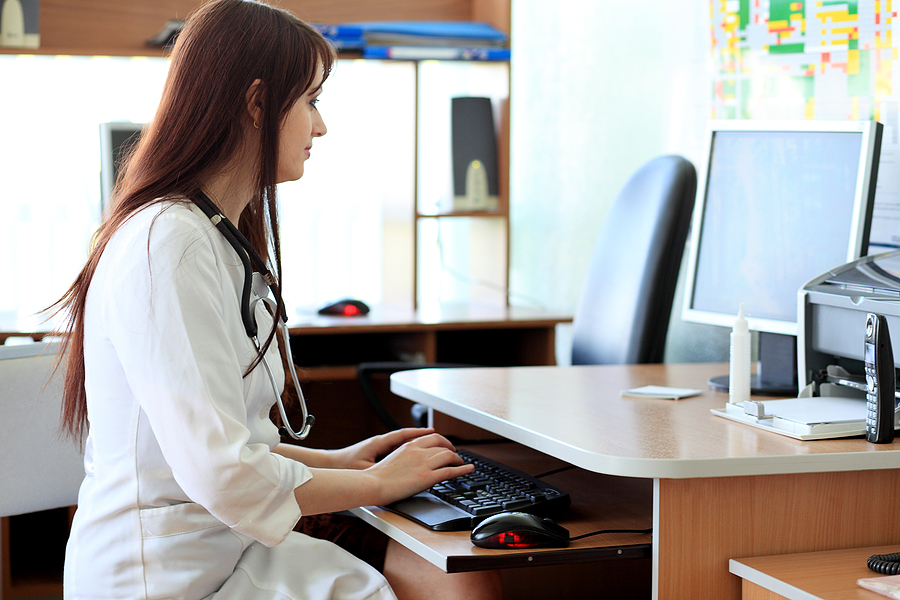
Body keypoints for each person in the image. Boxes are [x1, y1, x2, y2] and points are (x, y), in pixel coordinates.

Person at [50, 1, 502, 598]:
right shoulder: (168, 244)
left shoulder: (209, 233)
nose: (321, 127)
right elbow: (223, 470)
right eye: (312, 100)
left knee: (457, 579)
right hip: (167, 577)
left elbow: (231, 440)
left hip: (221, 547)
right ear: (258, 104)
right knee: (453, 581)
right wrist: (379, 484)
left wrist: (343, 461)